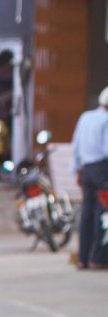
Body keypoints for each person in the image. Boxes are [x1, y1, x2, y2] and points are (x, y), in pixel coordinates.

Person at [71, 86, 108, 270]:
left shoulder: (85, 117)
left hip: (86, 169)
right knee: (102, 214)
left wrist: (77, 170)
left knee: (86, 214)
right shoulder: (106, 119)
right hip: (103, 168)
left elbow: (76, 145)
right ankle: (99, 259)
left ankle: (82, 258)